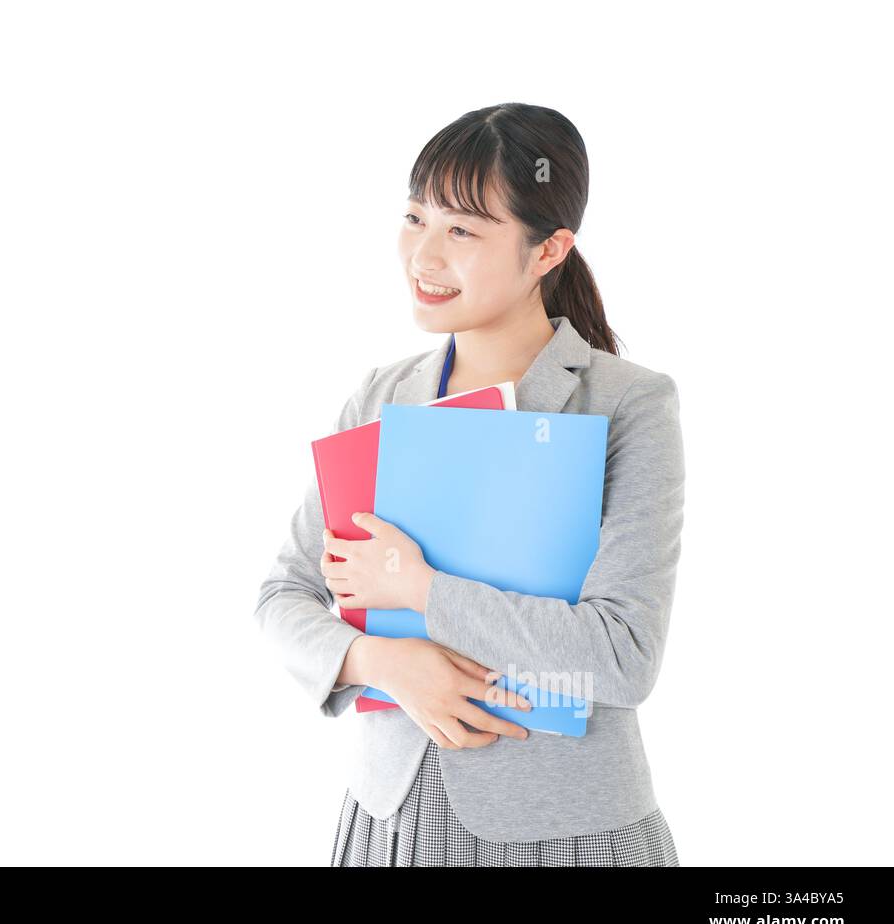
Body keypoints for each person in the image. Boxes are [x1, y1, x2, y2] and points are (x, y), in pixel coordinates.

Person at [253, 103, 684, 866]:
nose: (424, 254)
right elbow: (283, 597)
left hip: (570, 833)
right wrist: (380, 663)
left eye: (463, 231)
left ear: (548, 249)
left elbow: (623, 655)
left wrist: (422, 591)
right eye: (416, 217)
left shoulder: (625, 404)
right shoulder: (383, 397)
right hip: (389, 824)